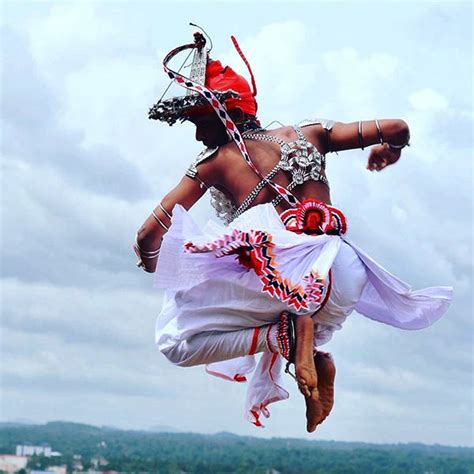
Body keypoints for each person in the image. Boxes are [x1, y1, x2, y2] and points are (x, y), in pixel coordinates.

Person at [135, 32, 452, 432]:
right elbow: (398, 127)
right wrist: (390, 151)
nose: (198, 136)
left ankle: (284, 336)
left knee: (175, 340)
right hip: (344, 276)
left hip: (292, 277)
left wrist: (154, 266)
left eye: (199, 123)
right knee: (284, 305)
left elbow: (149, 235)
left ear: (222, 114)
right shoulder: (311, 135)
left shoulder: (212, 163)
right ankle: (311, 349)